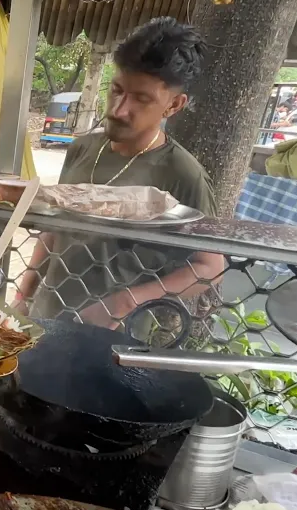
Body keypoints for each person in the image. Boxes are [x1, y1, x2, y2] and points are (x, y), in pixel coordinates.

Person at [12, 17, 226, 328]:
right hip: (48, 316)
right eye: (116, 90)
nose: (119, 109)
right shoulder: (82, 149)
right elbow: (54, 228)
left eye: (142, 99)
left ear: (174, 105)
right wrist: (24, 295)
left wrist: (127, 301)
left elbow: (210, 266)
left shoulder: (182, 173)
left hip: (116, 337)